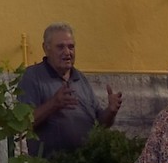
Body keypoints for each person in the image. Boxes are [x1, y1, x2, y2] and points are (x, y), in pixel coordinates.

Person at [16, 22, 123, 152]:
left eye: (71, 47)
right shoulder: (33, 76)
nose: (67, 52)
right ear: (46, 48)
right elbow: (23, 124)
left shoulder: (80, 79)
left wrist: (110, 112)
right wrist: (53, 104)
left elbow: (100, 124)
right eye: (60, 47)